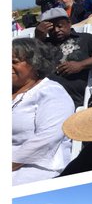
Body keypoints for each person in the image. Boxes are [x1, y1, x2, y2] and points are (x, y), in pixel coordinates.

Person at [12, 38, 74, 185]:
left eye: (14, 61)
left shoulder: (52, 93)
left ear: (35, 64)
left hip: (35, 167)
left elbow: (47, 139)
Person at [33, 7, 92, 108]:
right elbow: (28, 61)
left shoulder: (85, 39)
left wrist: (81, 65)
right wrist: (38, 38)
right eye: (51, 28)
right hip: (44, 93)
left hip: (73, 94)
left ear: (69, 23)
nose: (56, 30)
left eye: (60, 26)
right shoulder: (43, 44)